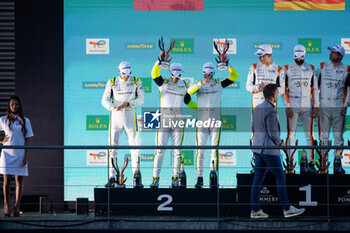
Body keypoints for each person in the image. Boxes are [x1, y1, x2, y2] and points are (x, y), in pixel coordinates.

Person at [251, 84, 305, 219]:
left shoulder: (257, 108)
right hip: (269, 150)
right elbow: (273, 132)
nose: (278, 96)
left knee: (257, 179)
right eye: (277, 94)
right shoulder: (270, 110)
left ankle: (255, 210)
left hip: (258, 149)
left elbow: (253, 128)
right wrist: (281, 143)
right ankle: (287, 209)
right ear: (274, 94)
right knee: (280, 177)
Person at [187, 62, 239, 188]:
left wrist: (228, 65)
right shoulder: (198, 85)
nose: (208, 76)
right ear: (203, 73)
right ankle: (199, 177)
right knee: (201, 150)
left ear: (213, 73)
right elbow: (188, 92)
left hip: (215, 122)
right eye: (206, 73)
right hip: (202, 122)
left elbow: (235, 76)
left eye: (210, 73)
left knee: (214, 150)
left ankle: (213, 175)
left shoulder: (218, 83)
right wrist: (201, 83)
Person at [150, 52, 198, 188]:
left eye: (178, 75)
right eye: (174, 75)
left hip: (178, 121)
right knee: (160, 151)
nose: (176, 78)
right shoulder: (163, 82)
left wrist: (201, 108)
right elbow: (154, 74)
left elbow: (188, 102)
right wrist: (158, 61)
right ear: (170, 72)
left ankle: (175, 178)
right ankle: (155, 178)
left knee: (177, 151)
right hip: (164, 119)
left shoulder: (184, 85)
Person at [101, 61, 144, 187]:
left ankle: (136, 176)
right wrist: (112, 108)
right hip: (116, 117)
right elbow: (104, 100)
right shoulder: (112, 82)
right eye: (124, 74)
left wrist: (129, 104)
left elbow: (141, 99)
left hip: (131, 116)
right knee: (112, 148)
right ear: (119, 71)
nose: (127, 76)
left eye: (128, 74)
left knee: (135, 147)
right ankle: (112, 177)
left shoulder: (136, 81)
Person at [283, 45, 319, 173]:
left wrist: (317, 106)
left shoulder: (311, 68)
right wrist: (287, 106)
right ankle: (289, 162)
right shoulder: (286, 68)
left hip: (307, 104)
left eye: (301, 57)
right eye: (297, 57)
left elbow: (314, 89)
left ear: (305, 55)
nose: (299, 59)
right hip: (293, 103)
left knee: (309, 134)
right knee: (290, 135)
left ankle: (311, 162)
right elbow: (283, 90)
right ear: (293, 55)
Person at [0, 96, 34, 217]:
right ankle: (6, 205)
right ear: (9, 106)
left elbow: (28, 139)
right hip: (6, 154)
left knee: (19, 180)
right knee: (7, 181)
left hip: (20, 154)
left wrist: (25, 156)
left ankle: (16, 206)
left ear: (20, 105)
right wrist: (1, 141)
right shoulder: (3, 120)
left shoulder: (25, 120)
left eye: (16, 104)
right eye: (12, 104)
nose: (14, 106)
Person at [318, 45, 350, 159]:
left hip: (338, 107)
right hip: (324, 106)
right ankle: (323, 162)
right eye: (331, 52)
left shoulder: (347, 69)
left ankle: (338, 162)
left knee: (337, 136)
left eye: (334, 52)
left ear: (340, 56)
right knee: (323, 136)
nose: (331, 54)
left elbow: (349, 90)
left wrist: (345, 105)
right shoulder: (322, 66)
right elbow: (315, 86)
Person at [246, 44, 285, 111]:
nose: (259, 58)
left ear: (269, 55)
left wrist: (269, 89)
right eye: (259, 56)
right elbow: (248, 86)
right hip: (257, 103)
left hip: (271, 103)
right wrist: (259, 88)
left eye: (262, 56)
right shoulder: (254, 67)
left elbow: (282, 90)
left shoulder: (279, 69)